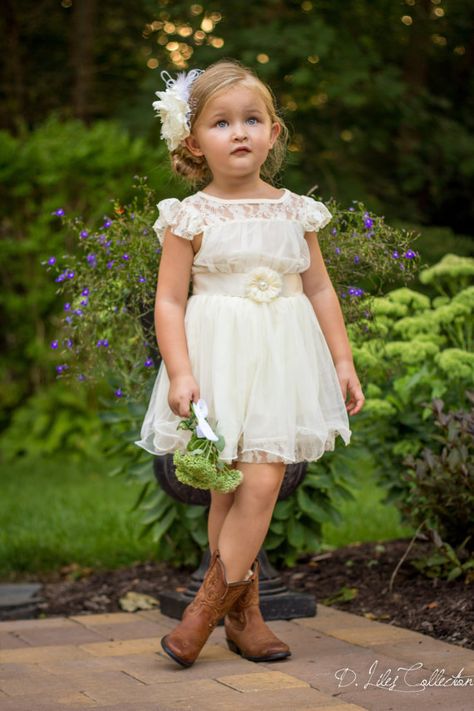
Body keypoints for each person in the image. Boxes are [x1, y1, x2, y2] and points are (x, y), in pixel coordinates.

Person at [134, 57, 365, 668]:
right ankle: (247, 618)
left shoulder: (295, 211)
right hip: (217, 362)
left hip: (282, 362)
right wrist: (181, 372)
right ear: (193, 141)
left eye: (252, 119)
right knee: (225, 490)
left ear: (274, 133)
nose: (239, 132)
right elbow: (169, 300)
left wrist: (342, 360)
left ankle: (202, 612)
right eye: (221, 122)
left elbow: (319, 289)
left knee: (262, 479)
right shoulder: (189, 216)